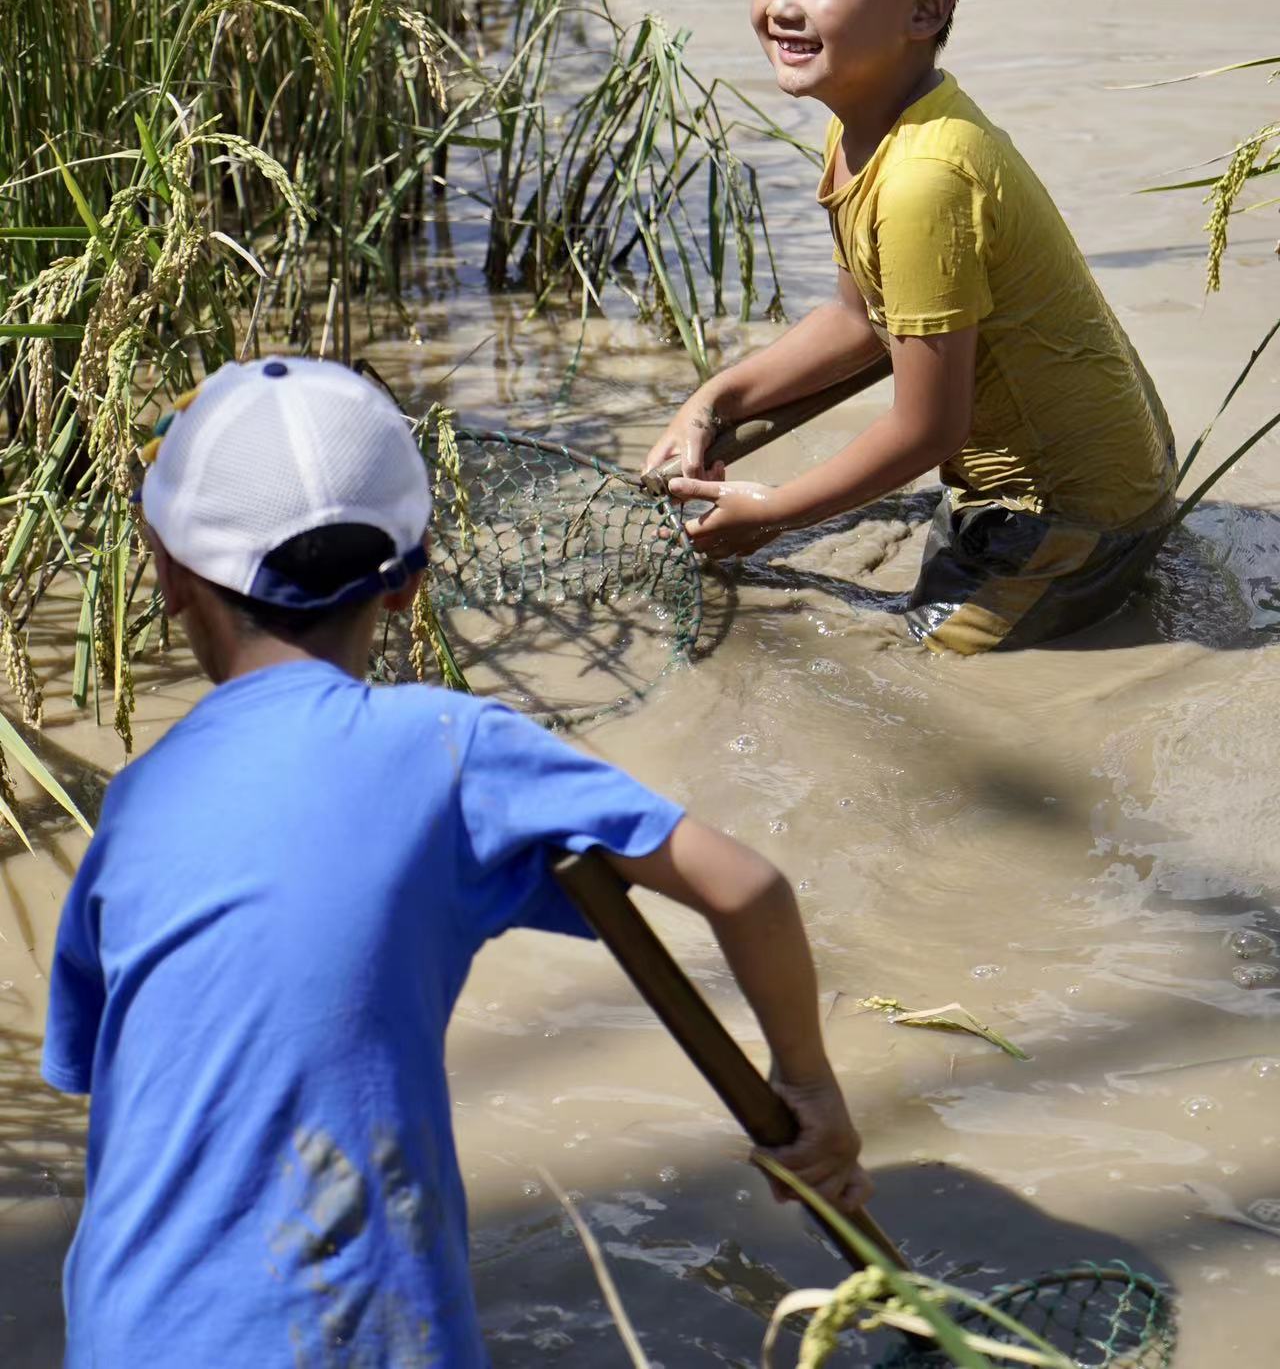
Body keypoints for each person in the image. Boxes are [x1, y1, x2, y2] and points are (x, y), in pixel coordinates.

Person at [41, 356, 869, 1368]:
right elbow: (747, 889)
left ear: (169, 576)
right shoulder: (450, 746)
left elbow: (108, 1077)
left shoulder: (133, 804)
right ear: (408, 584)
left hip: (122, 1332)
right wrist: (808, 1090)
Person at [646, 0, 1176, 655]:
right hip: (1114, 463)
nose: (782, 4)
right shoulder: (866, 122)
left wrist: (775, 512)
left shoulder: (924, 178)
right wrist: (711, 404)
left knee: (916, 664)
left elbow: (929, 429)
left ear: (926, 8)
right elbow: (860, 321)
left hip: (1077, 515)